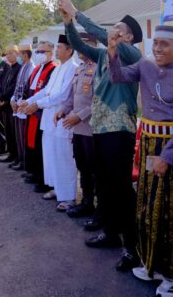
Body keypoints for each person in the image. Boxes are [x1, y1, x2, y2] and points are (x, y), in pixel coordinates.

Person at [108, 25, 173, 296]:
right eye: (156, 43)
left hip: (172, 147)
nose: (158, 49)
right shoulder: (145, 65)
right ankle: (152, 264)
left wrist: (169, 157)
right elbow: (116, 78)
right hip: (149, 143)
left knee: (171, 212)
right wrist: (113, 51)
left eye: (165, 44)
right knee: (147, 207)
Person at [58, 0, 142, 272]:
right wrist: (69, 23)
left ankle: (131, 246)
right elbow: (80, 44)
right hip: (100, 129)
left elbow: (100, 35)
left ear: (129, 37)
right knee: (104, 184)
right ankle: (109, 231)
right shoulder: (103, 56)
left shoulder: (131, 54)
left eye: (118, 30)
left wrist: (77, 12)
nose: (113, 33)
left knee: (120, 189)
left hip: (120, 130)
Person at [24, 35, 78, 209]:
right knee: (50, 156)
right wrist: (29, 100)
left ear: (70, 50)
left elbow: (62, 95)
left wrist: (37, 104)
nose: (56, 50)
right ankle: (57, 188)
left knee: (64, 158)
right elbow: (47, 90)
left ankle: (68, 196)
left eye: (60, 47)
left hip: (61, 118)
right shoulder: (59, 68)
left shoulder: (72, 68)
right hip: (49, 118)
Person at [56, 32, 98, 218]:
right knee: (82, 166)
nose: (80, 48)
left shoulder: (99, 68)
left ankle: (98, 207)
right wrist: (64, 109)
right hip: (78, 129)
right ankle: (86, 202)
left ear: (92, 45)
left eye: (83, 44)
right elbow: (73, 97)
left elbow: (99, 100)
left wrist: (79, 116)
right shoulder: (80, 68)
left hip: (91, 128)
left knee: (94, 168)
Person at [16, 41, 57, 193]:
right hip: (31, 109)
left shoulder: (53, 69)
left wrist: (33, 105)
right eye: (38, 51)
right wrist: (23, 101)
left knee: (40, 146)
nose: (39, 54)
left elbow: (46, 91)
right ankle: (34, 173)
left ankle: (42, 178)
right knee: (31, 143)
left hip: (40, 112)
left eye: (43, 51)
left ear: (51, 53)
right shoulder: (38, 69)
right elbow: (29, 87)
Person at [10, 45, 35, 171]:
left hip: (24, 106)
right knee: (18, 135)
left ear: (25, 55)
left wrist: (19, 102)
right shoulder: (23, 67)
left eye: (20, 54)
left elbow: (28, 88)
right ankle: (20, 159)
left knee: (23, 135)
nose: (18, 56)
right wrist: (13, 100)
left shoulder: (31, 68)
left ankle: (24, 162)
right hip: (18, 104)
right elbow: (17, 86)